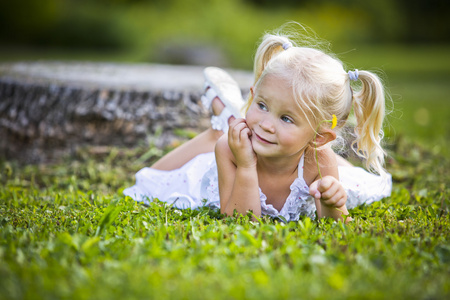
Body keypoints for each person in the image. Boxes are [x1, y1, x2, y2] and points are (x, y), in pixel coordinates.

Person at [124, 25, 392, 222]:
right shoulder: (229, 151)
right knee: (149, 180)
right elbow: (240, 220)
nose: (265, 124)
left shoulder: (320, 160)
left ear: (319, 137)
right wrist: (246, 164)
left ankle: (228, 117)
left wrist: (334, 201)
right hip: (219, 167)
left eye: (286, 118)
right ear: (252, 95)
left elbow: (335, 225)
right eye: (261, 106)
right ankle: (222, 123)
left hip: (301, 148)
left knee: (352, 182)